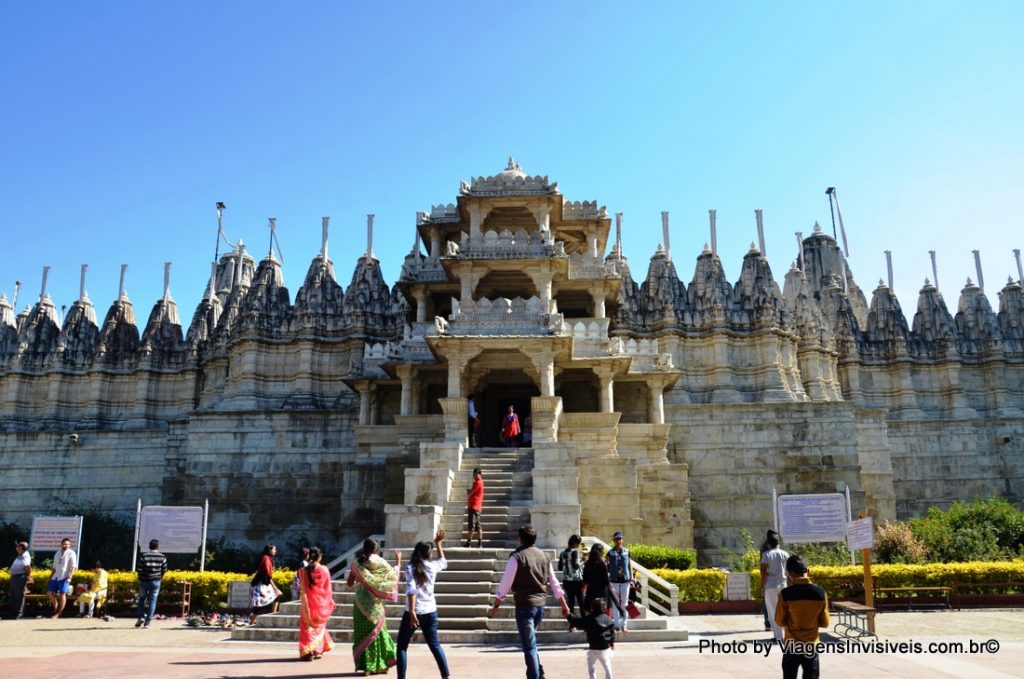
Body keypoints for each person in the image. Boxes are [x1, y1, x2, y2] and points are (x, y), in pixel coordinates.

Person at [488, 525, 571, 679]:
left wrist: (496, 604)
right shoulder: (544, 556)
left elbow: (505, 584)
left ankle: (535, 676)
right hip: (540, 606)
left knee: (529, 647)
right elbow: (554, 582)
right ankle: (539, 673)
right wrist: (564, 605)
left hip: (524, 607)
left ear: (520, 539)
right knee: (531, 643)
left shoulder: (516, 557)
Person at [397, 530, 450, 679]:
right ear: (428, 554)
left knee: (402, 646)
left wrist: (413, 612)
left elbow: (411, 589)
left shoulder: (410, 568)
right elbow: (443, 562)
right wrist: (439, 544)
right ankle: (445, 675)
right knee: (435, 645)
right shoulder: (432, 566)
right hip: (430, 611)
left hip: (413, 612)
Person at [347, 537, 401, 675]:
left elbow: (349, 583)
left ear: (364, 549)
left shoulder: (357, 563)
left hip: (360, 604)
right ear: (376, 550)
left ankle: (367, 667)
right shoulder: (382, 563)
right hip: (375, 604)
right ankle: (381, 665)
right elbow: (392, 577)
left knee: (363, 635)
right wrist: (398, 562)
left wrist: (362, 579)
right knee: (378, 634)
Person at [775, 554, 829, 679]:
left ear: (790, 574)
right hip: (811, 646)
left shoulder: (785, 594)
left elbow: (779, 621)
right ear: (808, 571)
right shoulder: (820, 593)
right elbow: (825, 623)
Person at [298, 546, 335, 661]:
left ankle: (309, 652)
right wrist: (330, 601)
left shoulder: (303, 571)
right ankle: (317, 651)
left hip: (308, 605)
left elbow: (302, 587)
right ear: (319, 557)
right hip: (320, 605)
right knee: (319, 628)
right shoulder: (324, 570)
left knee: (307, 629)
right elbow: (327, 589)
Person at [566, 596, 616, 679]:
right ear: (604, 608)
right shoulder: (608, 619)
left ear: (592, 608)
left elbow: (577, 622)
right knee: (607, 666)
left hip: (593, 647)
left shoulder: (589, 619)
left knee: (591, 666)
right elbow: (612, 633)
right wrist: (611, 642)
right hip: (604, 647)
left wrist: (568, 615)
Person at [760, 532, 790, 642]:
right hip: (783, 585)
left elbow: (763, 572)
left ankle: (778, 637)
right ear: (778, 543)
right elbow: (789, 571)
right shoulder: (785, 554)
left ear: (768, 544)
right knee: (785, 611)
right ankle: (788, 636)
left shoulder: (766, 555)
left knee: (773, 612)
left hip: (771, 586)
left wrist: (761, 586)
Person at [582, 544, 624, 622]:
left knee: (592, 610)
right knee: (605, 609)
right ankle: (606, 626)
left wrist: (583, 590)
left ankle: (592, 627)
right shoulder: (602, 564)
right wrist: (613, 590)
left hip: (591, 590)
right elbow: (607, 580)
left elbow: (585, 580)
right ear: (600, 552)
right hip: (603, 591)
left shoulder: (587, 564)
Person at [136, 538, 168, 629]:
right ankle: (148, 622)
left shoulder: (144, 556)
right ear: (158, 547)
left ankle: (141, 617)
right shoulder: (162, 557)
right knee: (152, 600)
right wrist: (159, 577)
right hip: (156, 581)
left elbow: (139, 569)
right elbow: (164, 569)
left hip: (144, 581)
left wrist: (140, 578)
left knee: (142, 599)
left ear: (149, 547)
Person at [605, 532, 632, 633]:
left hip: (625, 581)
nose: (618, 541)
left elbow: (630, 564)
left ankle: (624, 625)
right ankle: (616, 625)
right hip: (614, 581)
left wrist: (632, 577)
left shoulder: (627, 551)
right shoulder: (610, 553)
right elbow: (606, 564)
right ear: (613, 541)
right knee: (616, 603)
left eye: (620, 539)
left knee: (624, 603)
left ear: (622, 540)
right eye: (616, 539)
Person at [48, 537, 77, 619]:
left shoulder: (71, 553)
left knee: (62, 594)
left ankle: (59, 613)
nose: (66, 545)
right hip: (55, 576)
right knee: (49, 593)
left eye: (68, 544)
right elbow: (54, 567)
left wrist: (70, 577)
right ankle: (56, 608)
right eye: (65, 544)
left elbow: (73, 567)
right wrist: (50, 577)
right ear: (61, 544)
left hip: (64, 577)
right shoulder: (57, 553)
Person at [250, 544, 279, 624]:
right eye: (274, 549)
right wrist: (274, 587)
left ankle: (252, 622)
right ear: (269, 550)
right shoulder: (266, 559)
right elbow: (266, 574)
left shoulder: (265, 558)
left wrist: (274, 587)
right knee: (259, 605)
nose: (275, 551)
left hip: (261, 584)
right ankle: (252, 622)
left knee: (276, 596)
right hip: (260, 585)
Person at [558, 535, 585, 616]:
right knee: (581, 602)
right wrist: (583, 561)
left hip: (566, 581)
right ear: (576, 543)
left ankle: (572, 625)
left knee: (571, 602)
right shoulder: (574, 552)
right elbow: (575, 566)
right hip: (576, 580)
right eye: (578, 544)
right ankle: (585, 622)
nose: (578, 546)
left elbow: (559, 567)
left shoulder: (563, 553)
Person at [759, 529, 780, 631]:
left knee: (769, 604)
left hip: (770, 582)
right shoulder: (767, 548)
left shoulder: (765, 547)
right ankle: (770, 623)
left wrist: (762, 584)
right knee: (773, 604)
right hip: (777, 581)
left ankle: (769, 623)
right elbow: (764, 568)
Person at [7, 540, 31, 620]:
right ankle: (13, 613)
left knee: (19, 596)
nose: (16, 548)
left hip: (20, 577)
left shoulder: (25, 555)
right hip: (15, 577)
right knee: (13, 596)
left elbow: (28, 567)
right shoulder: (20, 555)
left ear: (21, 548)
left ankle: (18, 614)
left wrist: (28, 576)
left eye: (17, 547)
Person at [464, 467, 484, 548]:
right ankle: (479, 543)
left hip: (474, 506)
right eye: (474, 475)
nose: (475, 476)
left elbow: (470, 493)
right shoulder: (480, 482)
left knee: (472, 526)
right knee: (477, 525)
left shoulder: (478, 483)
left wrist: (468, 491)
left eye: (476, 475)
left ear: (480, 474)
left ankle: (469, 543)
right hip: (476, 506)